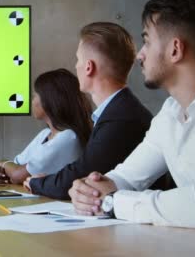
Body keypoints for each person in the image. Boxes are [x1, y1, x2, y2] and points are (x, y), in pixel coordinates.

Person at [69, 0, 195, 230]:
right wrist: (90, 191)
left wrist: (115, 203)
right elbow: (127, 177)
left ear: (175, 49)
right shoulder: (170, 112)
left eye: (147, 41)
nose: (140, 54)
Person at [24, 22, 155, 199]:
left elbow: (82, 173)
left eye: (78, 59)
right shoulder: (120, 109)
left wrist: (35, 183)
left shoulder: (121, 117)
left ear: (88, 67)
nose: (76, 66)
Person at [0, 68, 92, 184]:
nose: (32, 101)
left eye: (34, 96)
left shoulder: (69, 137)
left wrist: (2, 163)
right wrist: (1, 168)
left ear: (49, 100)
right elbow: (16, 164)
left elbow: (18, 175)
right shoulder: (45, 134)